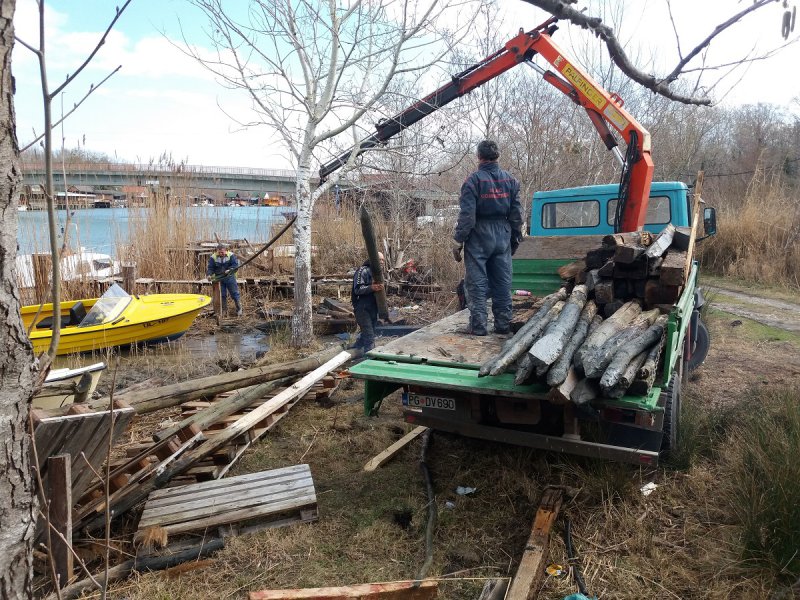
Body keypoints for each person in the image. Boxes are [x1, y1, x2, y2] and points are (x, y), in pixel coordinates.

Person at [451, 140, 523, 336]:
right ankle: (503, 325)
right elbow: (517, 216)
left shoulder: (473, 181)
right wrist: (515, 238)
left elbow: (467, 216)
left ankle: (479, 327)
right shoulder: (511, 181)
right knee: (502, 283)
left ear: (479, 157)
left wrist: (458, 241)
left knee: (477, 284)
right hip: (503, 235)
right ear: (497, 156)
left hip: (479, 236)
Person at [350, 252, 385, 352]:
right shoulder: (363, 270)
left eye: (383, 260)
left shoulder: (379, 273)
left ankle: (355, 349)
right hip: (362, 308)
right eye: (380, 259)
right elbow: (357, 289)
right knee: (369, 337)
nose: (382, 262)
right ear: (373, 259)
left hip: (373, 307)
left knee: (369, 333)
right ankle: (369, 361)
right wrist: (371, 287)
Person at [207, 244, 242, 316]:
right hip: (219, 278)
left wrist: (229, 270)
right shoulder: (213, 257)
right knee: (222, 295)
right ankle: (224, 311)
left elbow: (235, 266)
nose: (220, 254)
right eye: (219, 252)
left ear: (226, 250)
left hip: (230, 277)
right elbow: (210, 268)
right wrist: (209, 275)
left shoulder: (231, 255)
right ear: (217, 251)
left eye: (222, 252)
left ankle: (239, 309)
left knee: (234, 293)